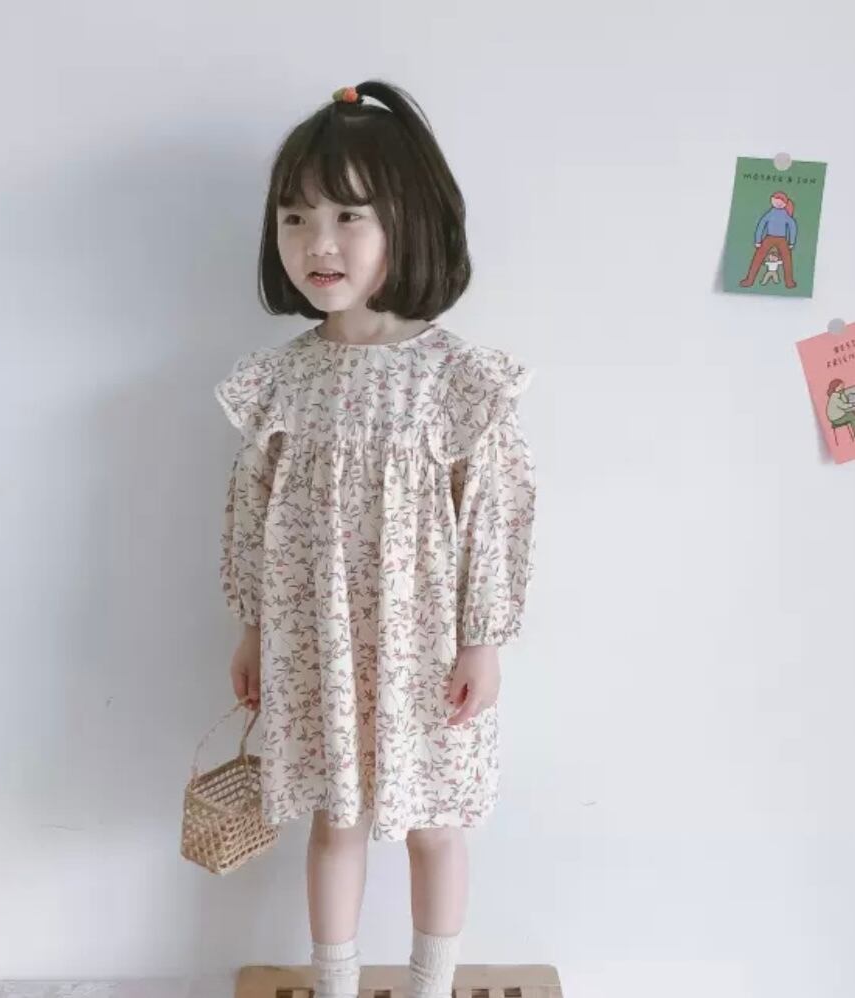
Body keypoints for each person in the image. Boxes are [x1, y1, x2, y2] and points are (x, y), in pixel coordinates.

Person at [213, 80, 537, 998]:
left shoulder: (459, 379)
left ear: (409, 219)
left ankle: (432, 984)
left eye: (349, 215)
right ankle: (336, 983)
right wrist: (252, 629)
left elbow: (496, 516)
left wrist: (483, 640)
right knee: (334, 821)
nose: (319, 243)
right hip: (316, 646)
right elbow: (250, 514)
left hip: (427, 651)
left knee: (437, 825)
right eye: (295, 218)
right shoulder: (280, 382)